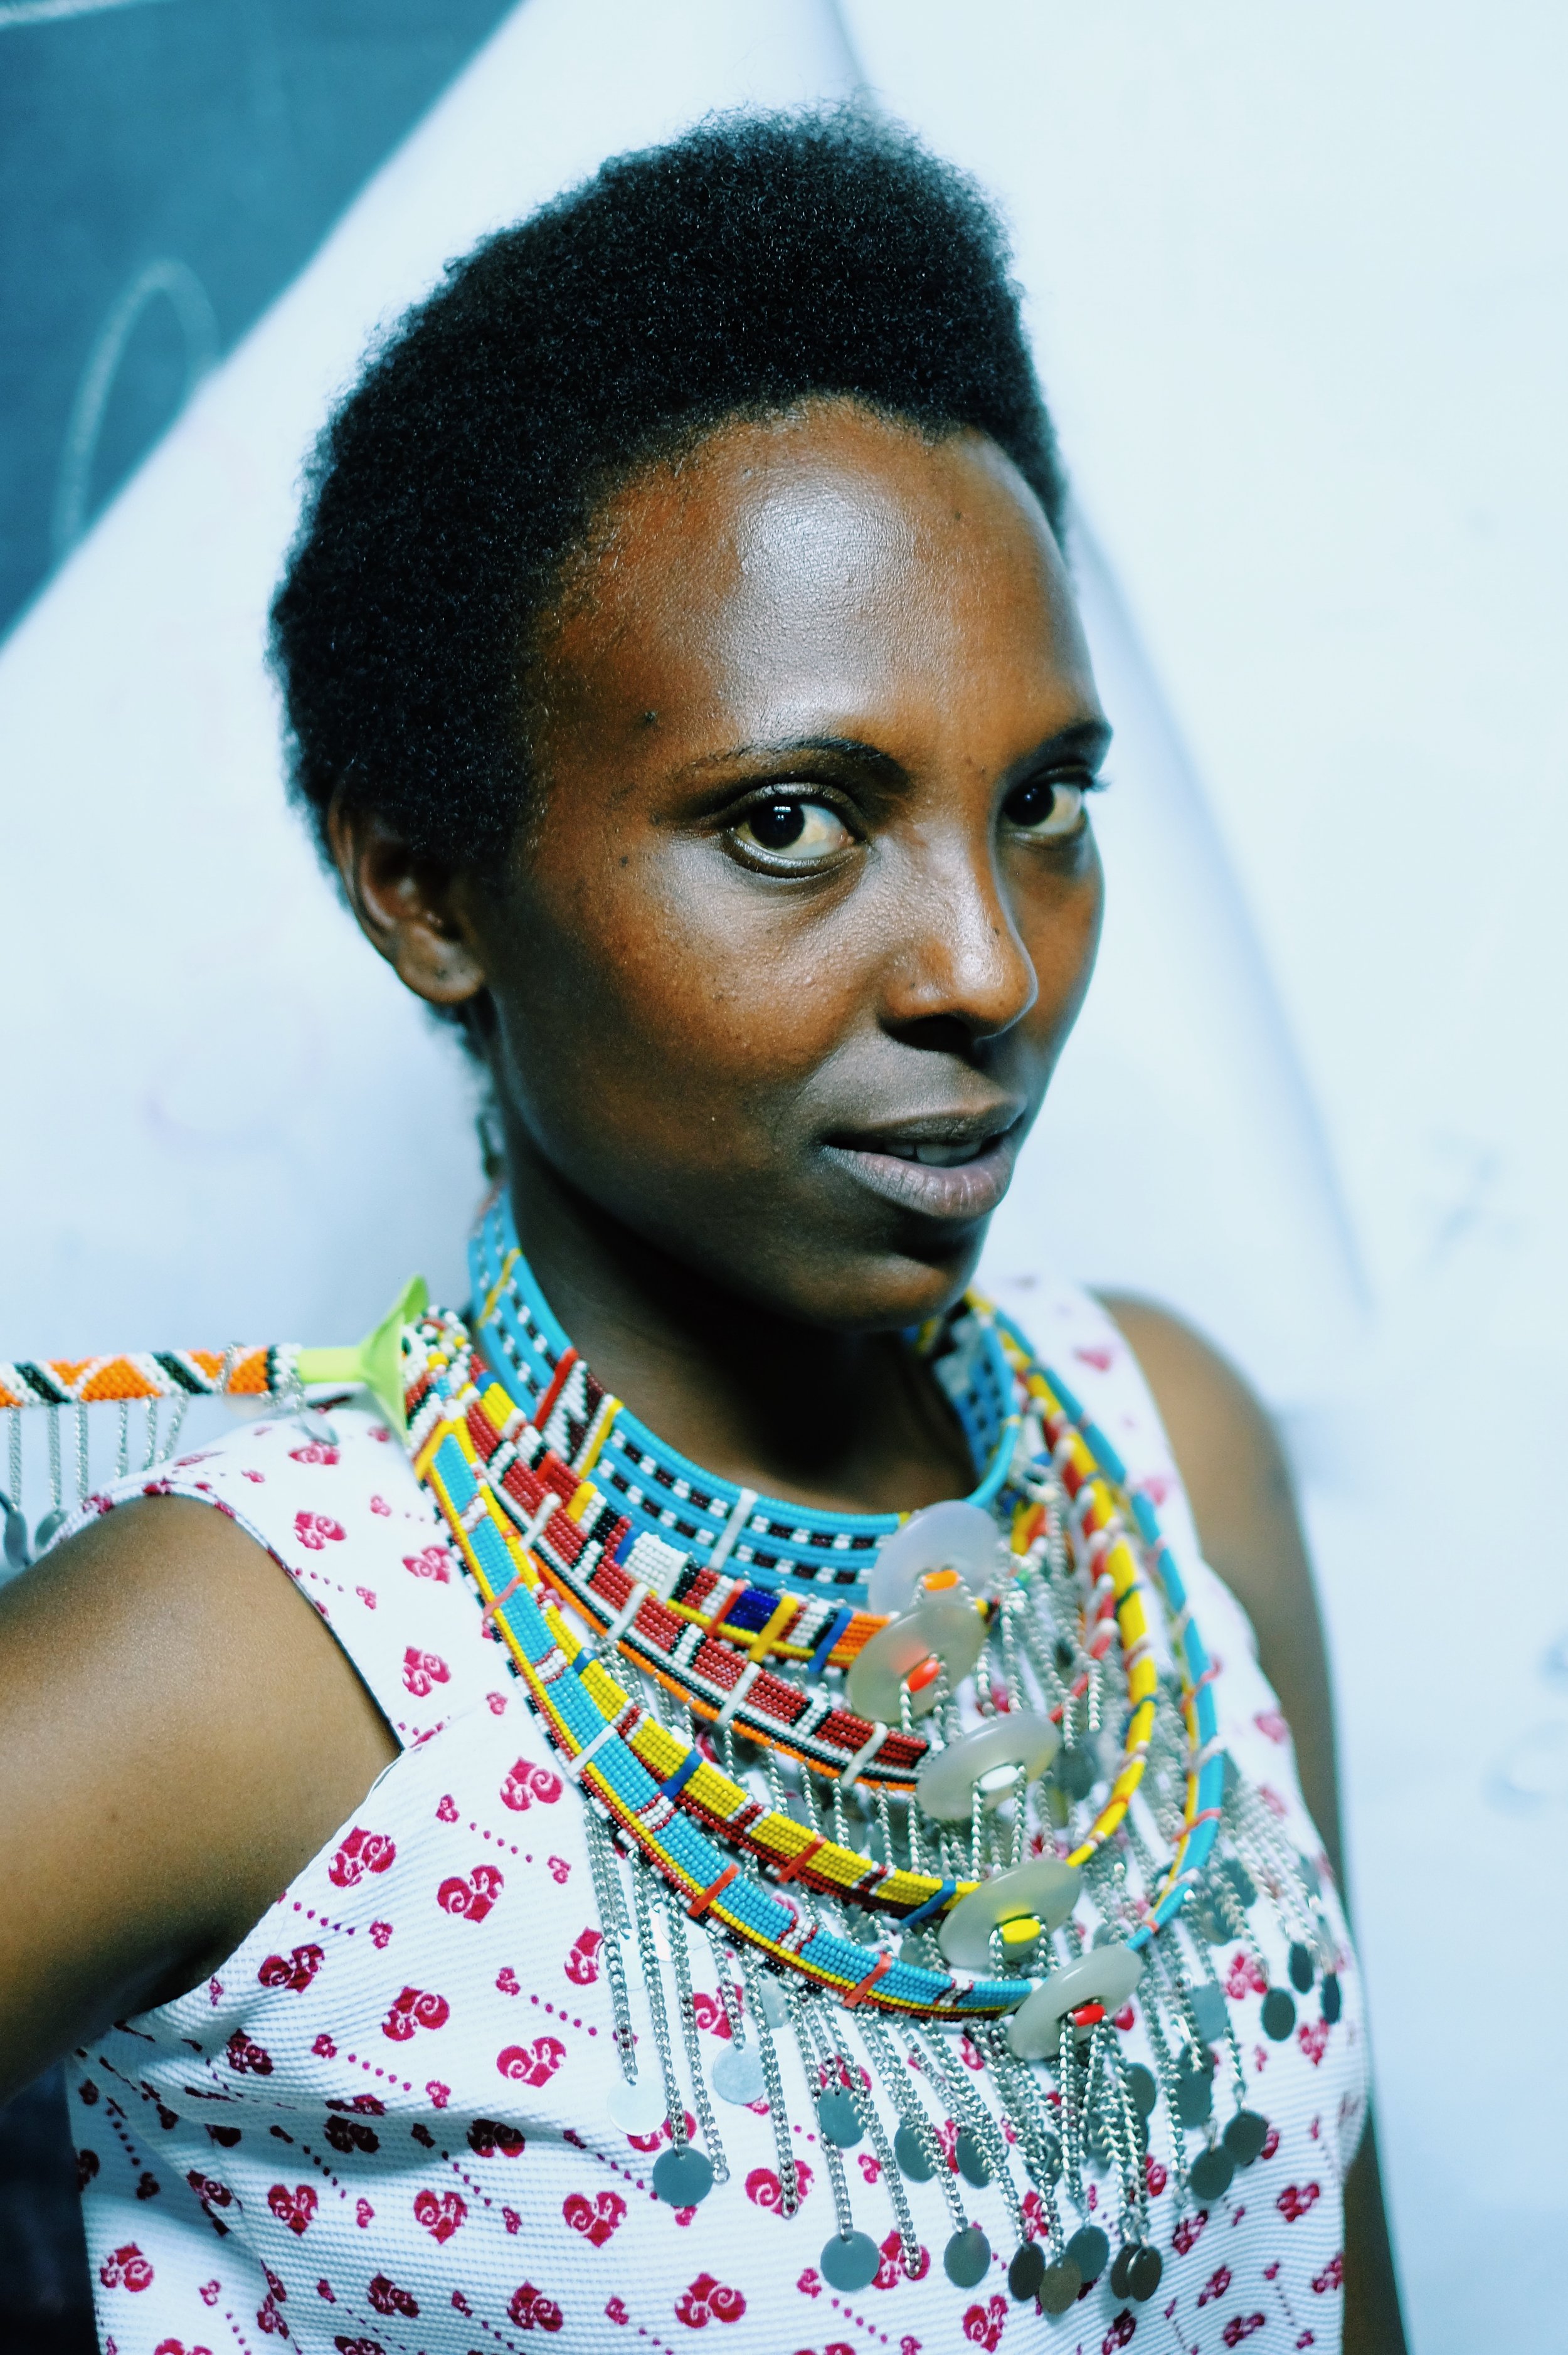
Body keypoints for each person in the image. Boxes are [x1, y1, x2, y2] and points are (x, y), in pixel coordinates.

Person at [0, 109, 1405, 2353]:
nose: (988, 965)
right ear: (427, 888)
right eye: (790, 818)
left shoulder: (1169, 1457)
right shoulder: (260, 1660)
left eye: (1041, 801)